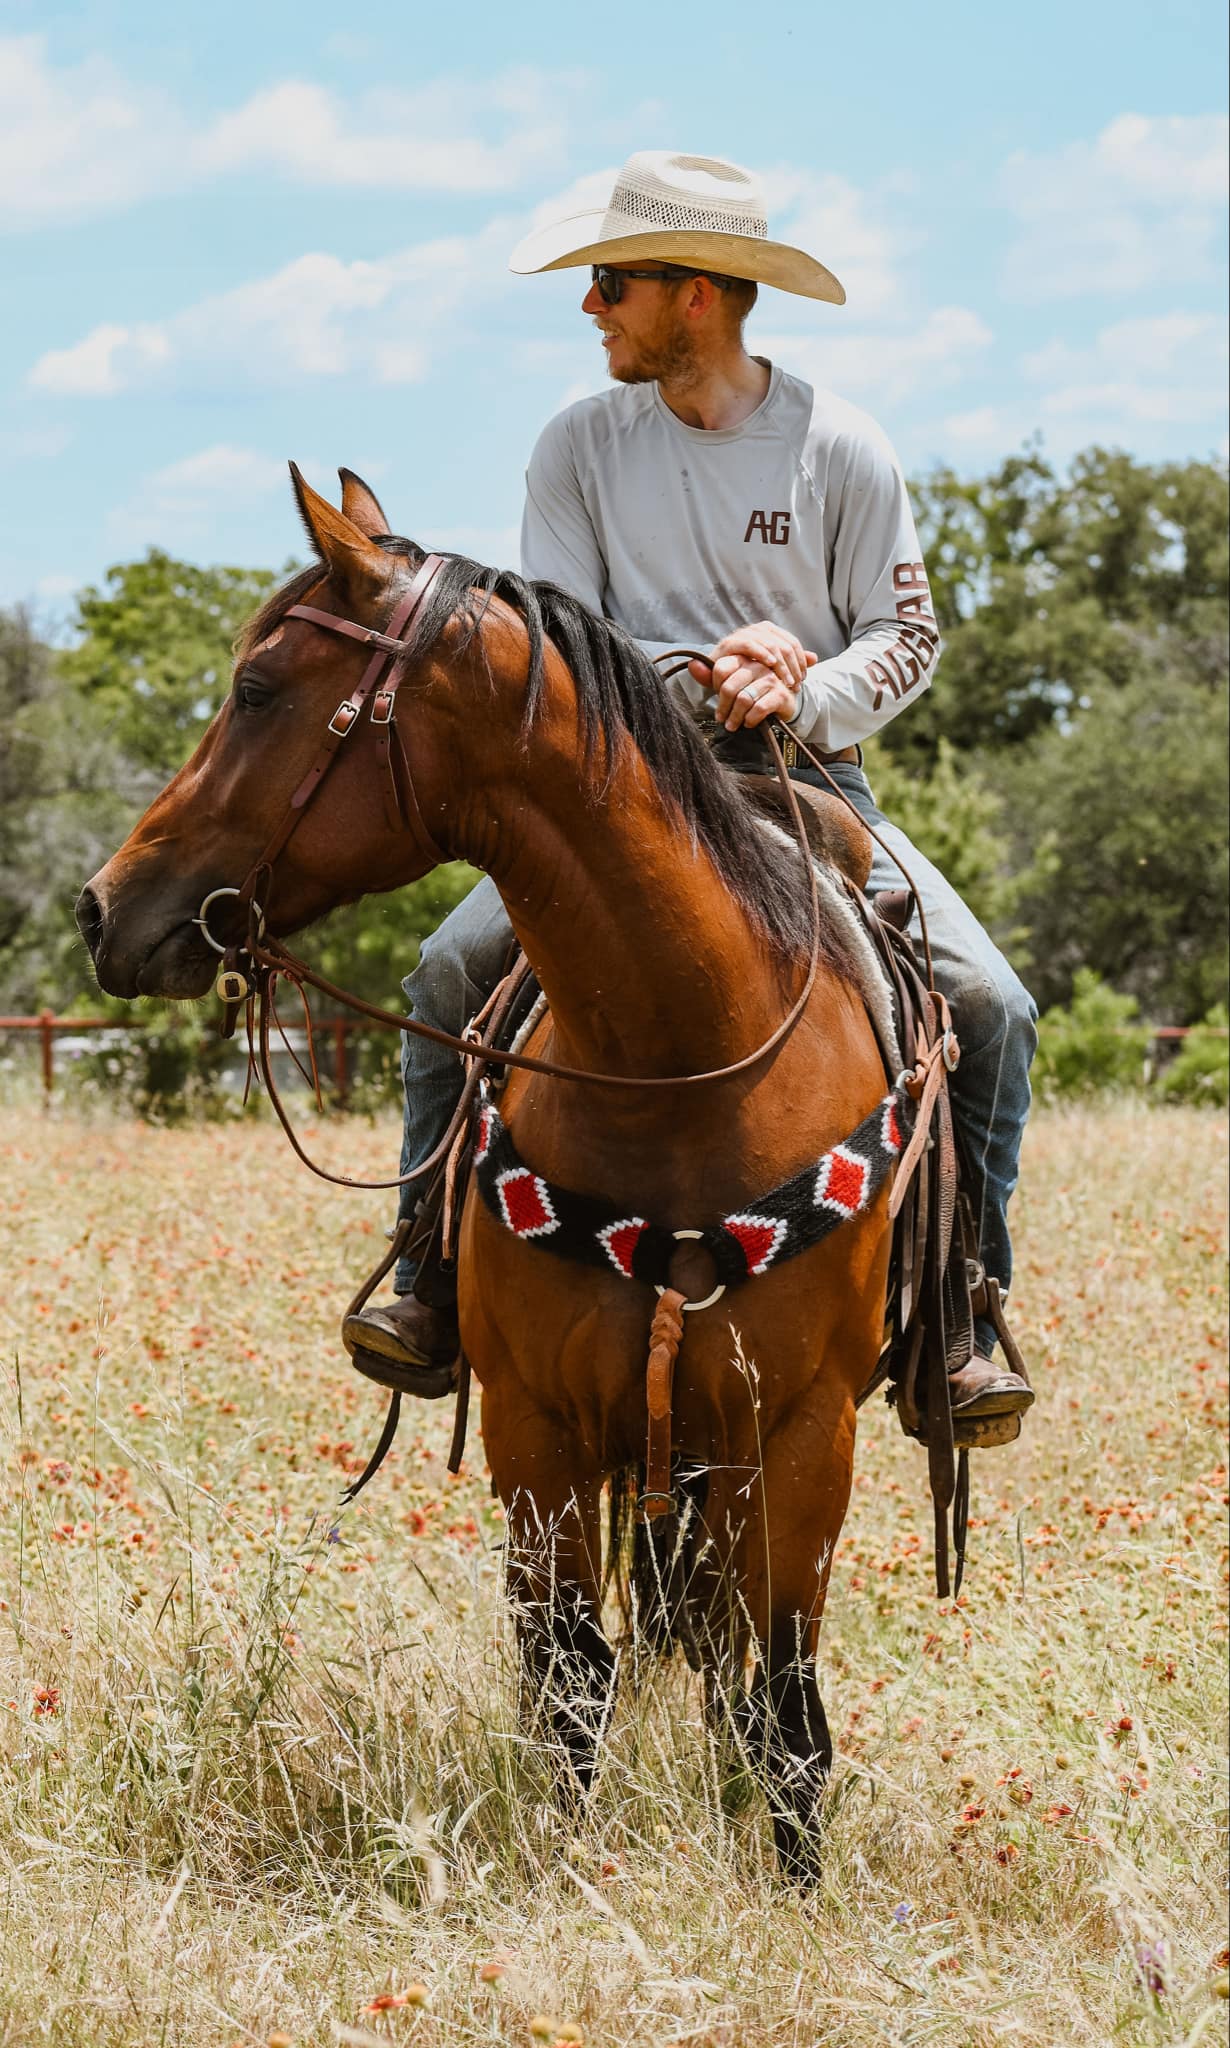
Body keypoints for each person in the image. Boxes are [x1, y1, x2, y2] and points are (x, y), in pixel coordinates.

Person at [346, 150, 1036, 1435]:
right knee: (448, 976)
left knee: (993, 1005)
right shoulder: (578, 444)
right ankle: (428, 1278)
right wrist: (705, 671)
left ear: (699, 297)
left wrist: (807, 685)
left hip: (809, 785)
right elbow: (563, 650)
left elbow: (910, 638)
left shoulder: (839, 442)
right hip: (622, 799)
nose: (591, 307)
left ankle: (957, 1312)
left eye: (613, 282)